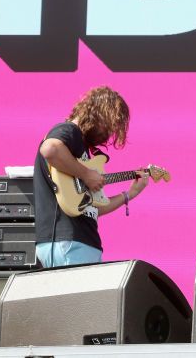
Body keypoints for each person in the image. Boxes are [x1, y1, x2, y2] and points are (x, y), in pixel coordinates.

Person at [33, 86, 149, 267]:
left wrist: (129, 194)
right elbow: (50, 149)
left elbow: (91, 209)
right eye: (107, 126)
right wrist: (86, 174)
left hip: (79, 243)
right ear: (97, 113)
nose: (108, 135)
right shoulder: (70, 130)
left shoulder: (81, 152)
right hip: (69, 242)